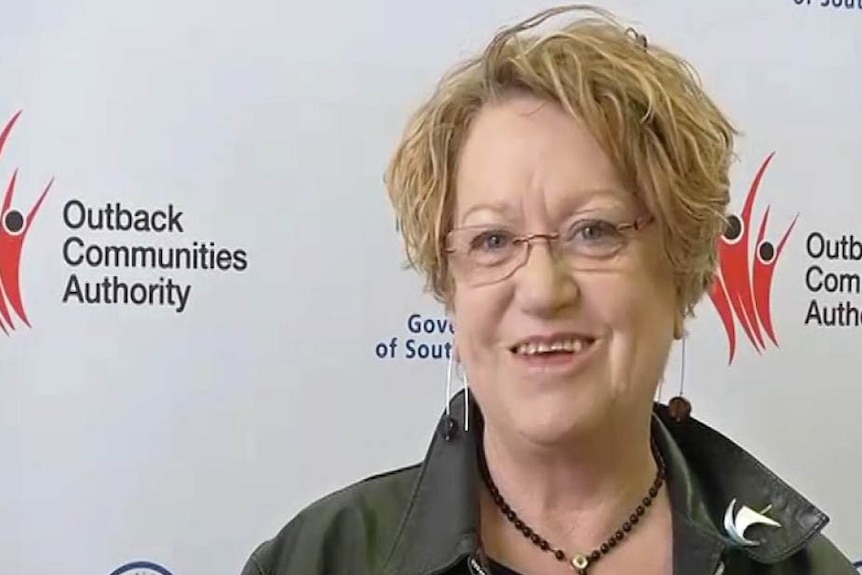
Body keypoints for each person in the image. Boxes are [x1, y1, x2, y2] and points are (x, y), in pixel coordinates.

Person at [240, 5, 857, 574]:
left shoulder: (802, 569)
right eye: (493, 241)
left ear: (681, 268)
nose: (540, 289)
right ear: (449, 286)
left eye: (593, 231)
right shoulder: (318, 560)